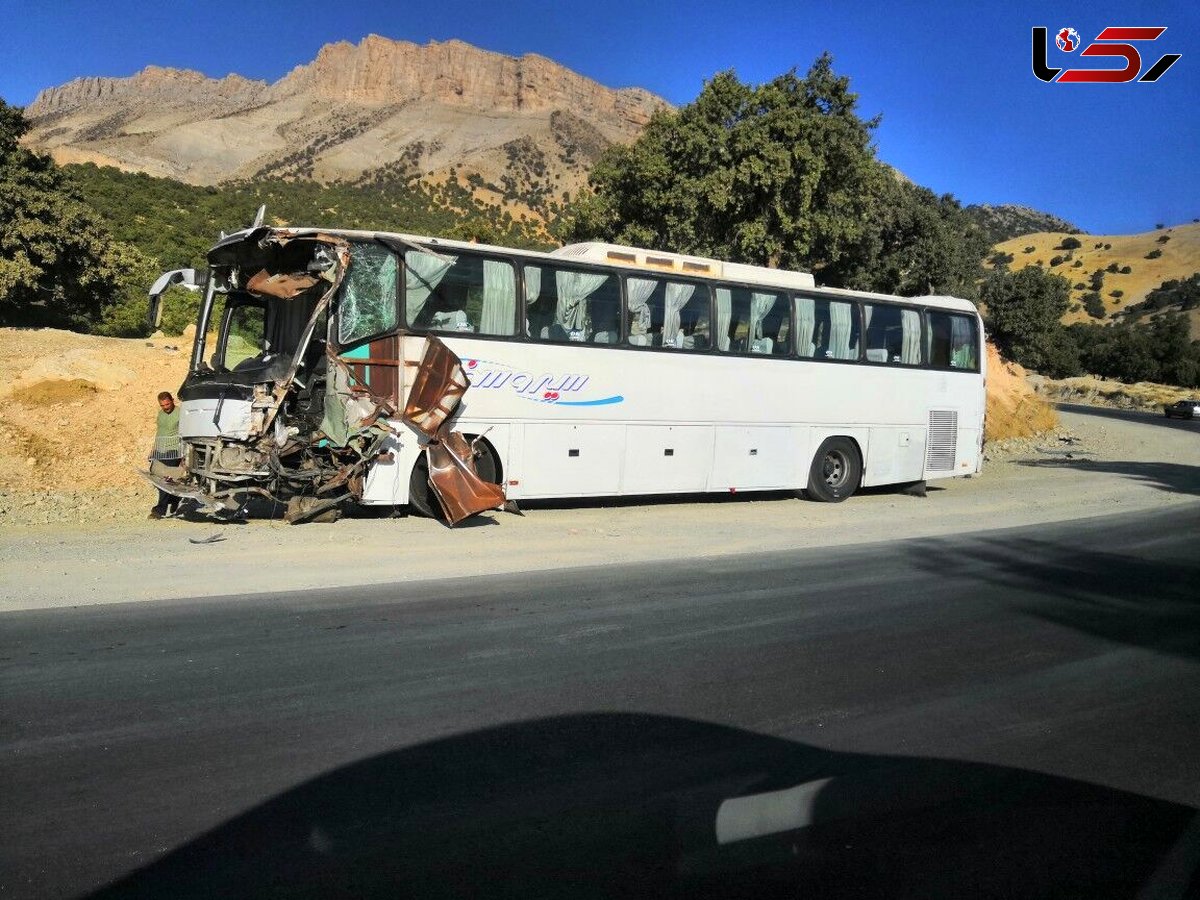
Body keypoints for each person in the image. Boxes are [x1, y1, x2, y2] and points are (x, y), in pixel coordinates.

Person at [148, 391, 181, 519]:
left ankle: (159, 510)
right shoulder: (161, 414)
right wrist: (153, 449)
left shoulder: (180, 413)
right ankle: (174, 498)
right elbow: (159, 432)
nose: (165, 407)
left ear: (172, 400)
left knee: (164, 480)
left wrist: (184, 455)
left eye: (167, 404)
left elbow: (185, 434)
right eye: (162, 405)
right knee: (155, 478)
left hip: (173, 451)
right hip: (159, 450)